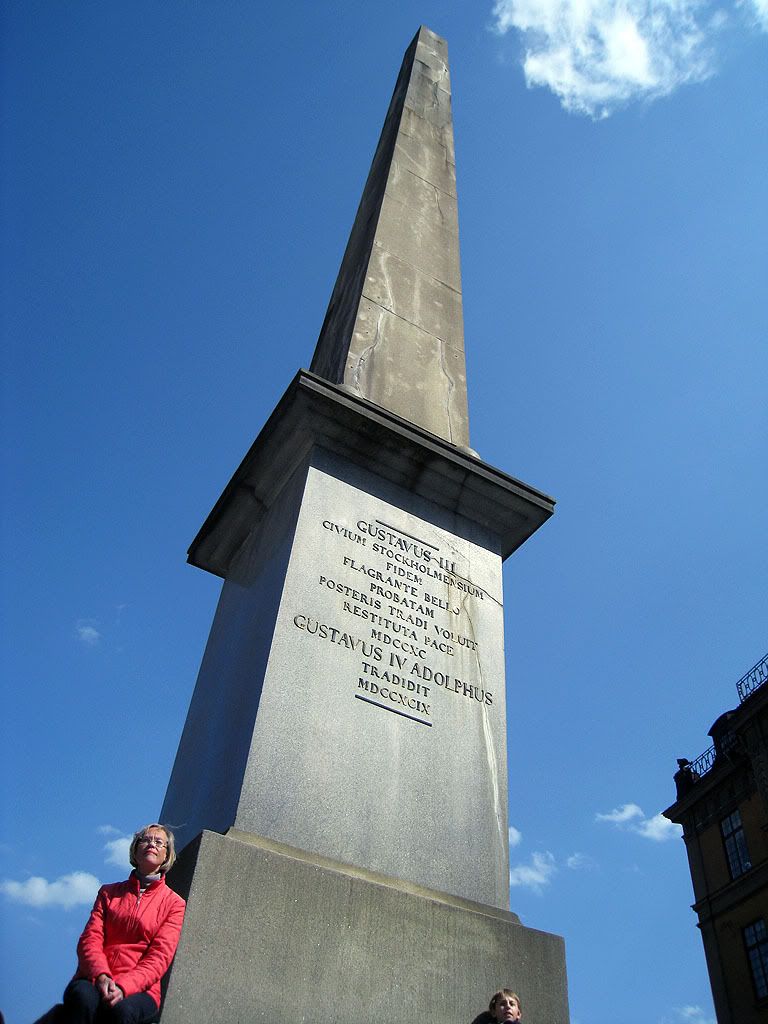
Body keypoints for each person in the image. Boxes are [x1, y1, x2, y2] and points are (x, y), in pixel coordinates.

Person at [36, 824, 186, 1024]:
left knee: (122, 1012)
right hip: (93, 977)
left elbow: (160, 956)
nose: (152, 844)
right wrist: (101, 976)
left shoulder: (174, 904)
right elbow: (90, 939)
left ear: (166, 855)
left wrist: (123, 987)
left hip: (141, 988)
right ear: (135, 850)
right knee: (83, 999)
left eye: (159, 842)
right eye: (146, 840)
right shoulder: (108, 893)